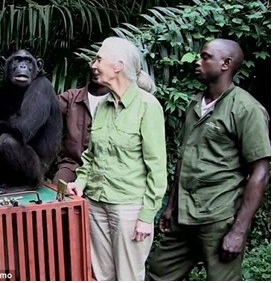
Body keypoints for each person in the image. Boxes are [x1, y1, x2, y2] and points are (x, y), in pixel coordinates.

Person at [147, 39, 270, 281]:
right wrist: (171, 206)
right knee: (158, 273)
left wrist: (239, 230)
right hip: (184, 216)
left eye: (205, 57)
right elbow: (184, 159)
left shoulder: (246, 109)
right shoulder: (195, 103)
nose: (198, 61)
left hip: (218, 217)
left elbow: (260, 172)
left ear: (226, 64)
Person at [67, 37, 167, 280]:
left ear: (118, 66)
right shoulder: (103, 106)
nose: (94, 64)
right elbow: (91, 155)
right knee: (102, 276)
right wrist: (79, 183)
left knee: (128, 277)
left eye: (99, 58)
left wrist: (146, 217)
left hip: (129, 209)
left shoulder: (147, 106)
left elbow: (157, 168)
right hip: (97, 203)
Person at [53, 69, 156, 185]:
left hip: (112, 169)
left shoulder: (138, 108)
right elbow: (48, 109)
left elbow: (153, 158)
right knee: (60, 185)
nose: (95, 68)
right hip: (74, 164)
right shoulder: (73, 98)